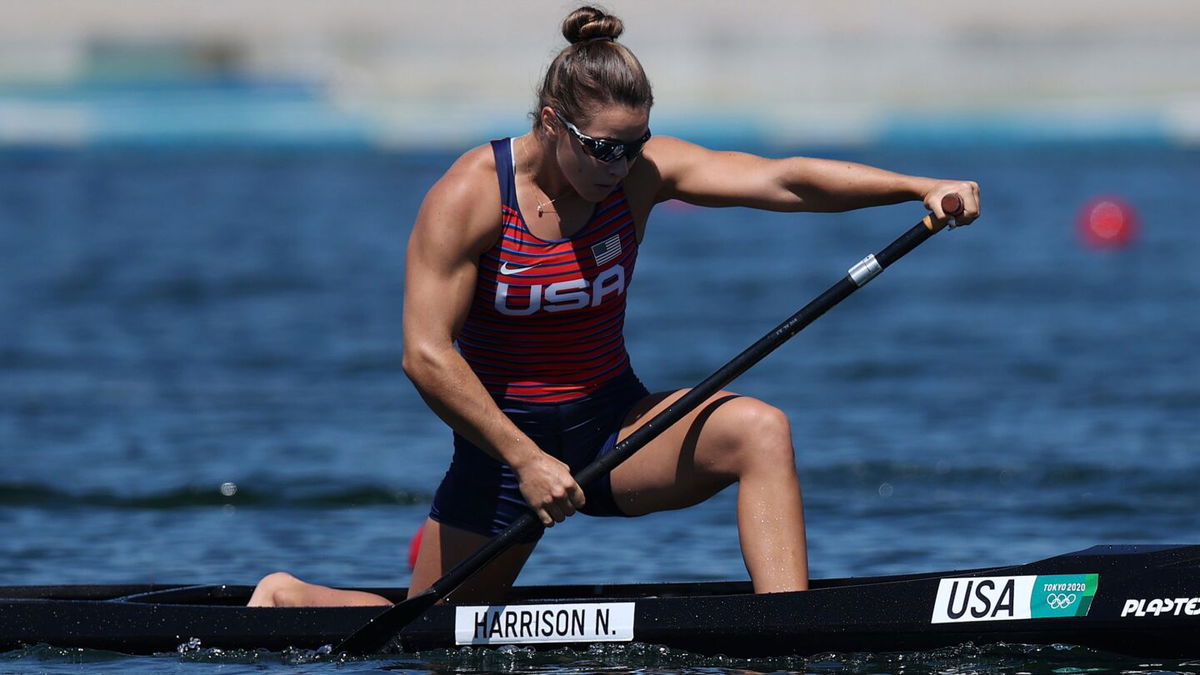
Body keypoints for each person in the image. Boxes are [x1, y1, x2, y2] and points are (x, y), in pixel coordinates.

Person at [247, 5, 980, 608]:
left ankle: (783, 634)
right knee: (430, 633)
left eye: (636, 145)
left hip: (612, 430)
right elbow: (425, 355)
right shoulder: (471, 195)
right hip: (503, 451)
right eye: (603, 148)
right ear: (549, 123)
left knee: (760, 430)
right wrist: (526, 458)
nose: (621, 165)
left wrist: (917, 186)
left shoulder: (637, 176)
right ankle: (287, 597)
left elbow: (782, 179)